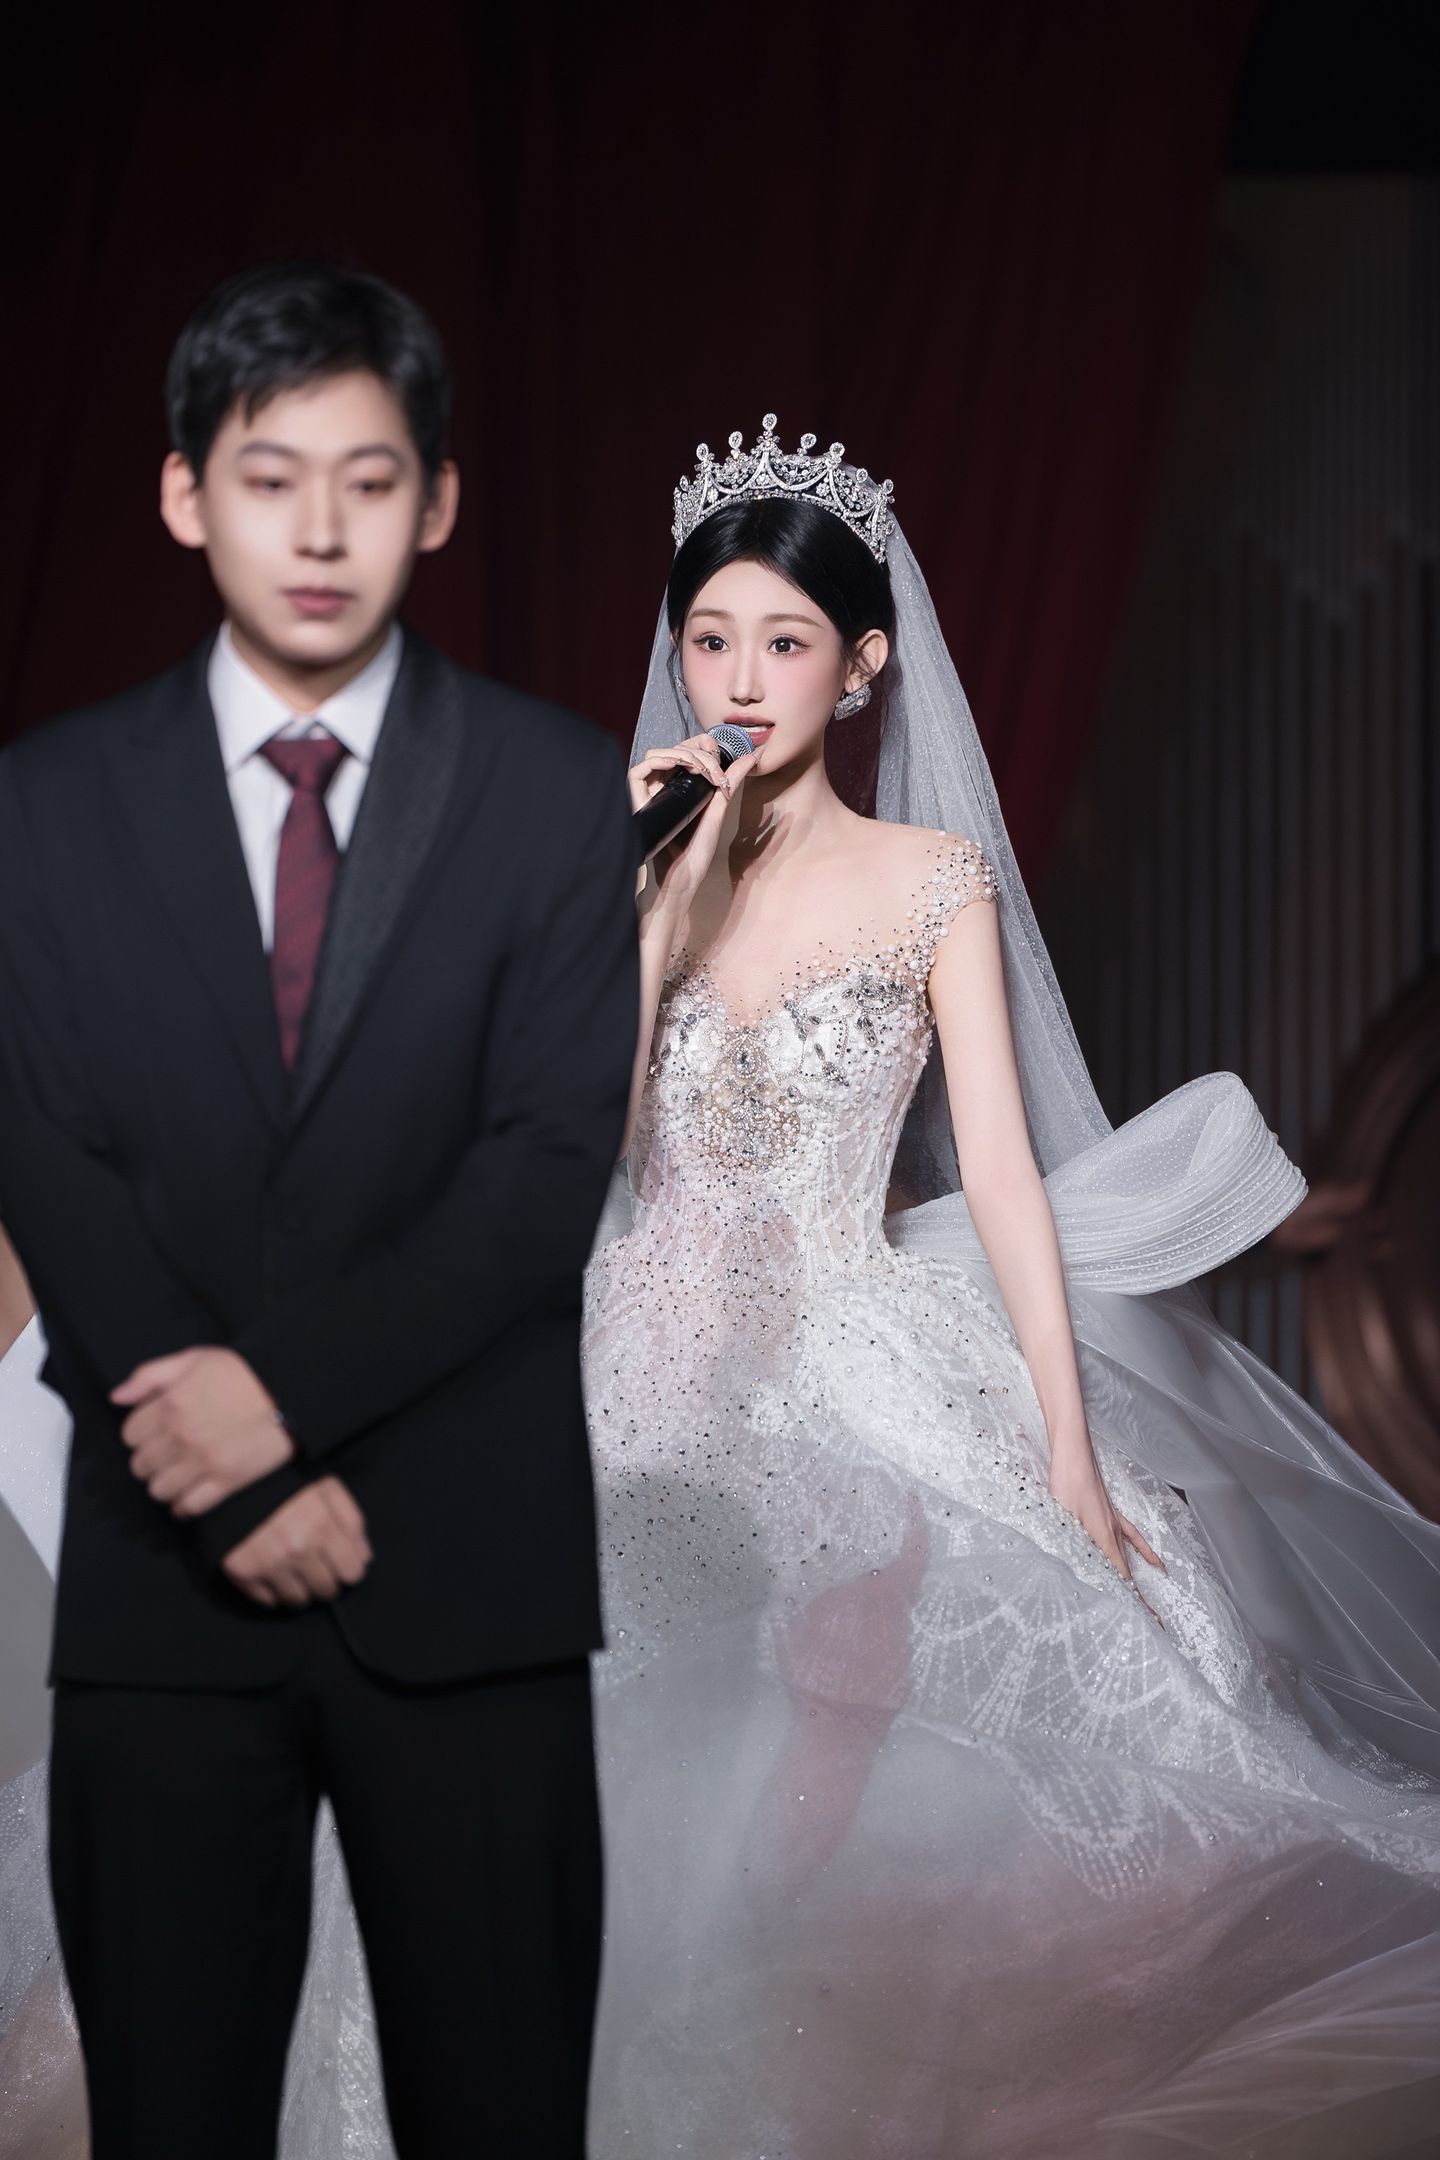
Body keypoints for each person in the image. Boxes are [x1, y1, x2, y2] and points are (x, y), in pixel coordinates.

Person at [579, 419, 1440, 2155]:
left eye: (784, 642)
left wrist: (1064, 1442)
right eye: (710, 638)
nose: (739, 680)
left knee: (890, 1719)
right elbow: (576, 1143)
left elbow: (1003, 1178)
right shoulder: (640, 859)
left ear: (862, 666)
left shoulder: (929, 883)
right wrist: (653, 911)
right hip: (627, 1351)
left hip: (837, 1340)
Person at [0, 262, 637, 2160]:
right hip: (162, 1590)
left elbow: (546, 1170)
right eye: (271, 480)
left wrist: (265, 1414)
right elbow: (41, 1148)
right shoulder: (42, 804)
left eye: (369, 482)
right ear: (185, 493)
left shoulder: (549, 791)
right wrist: (230, 1481)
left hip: (473, 1582)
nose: (320, 532)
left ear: (436, 503)